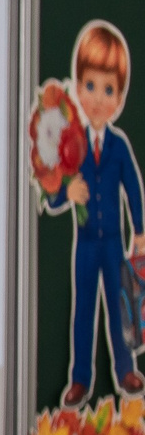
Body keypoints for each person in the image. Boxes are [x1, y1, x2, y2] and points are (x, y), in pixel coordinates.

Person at [43, 21, 142, 405]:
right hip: (85, 244)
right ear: (77, 86)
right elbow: (53, 189)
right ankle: (80, 376)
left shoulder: (117, 146)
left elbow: (132, 186)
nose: (98, 98)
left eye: (108, 89)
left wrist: (141, 228)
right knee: (83, 310)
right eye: (90, 86)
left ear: (119, 98)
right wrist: (67, 192)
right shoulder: (72, 144)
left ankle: (125, 369)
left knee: (120, 307)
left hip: (114, 242)